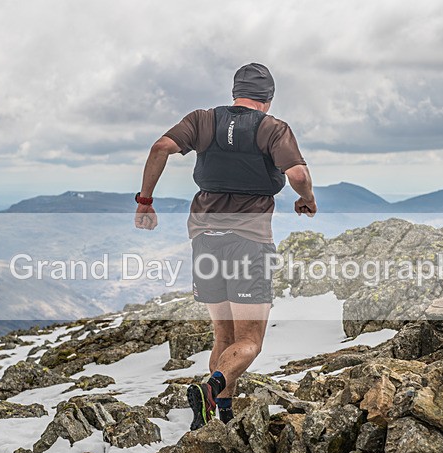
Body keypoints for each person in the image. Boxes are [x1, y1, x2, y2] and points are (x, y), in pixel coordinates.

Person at [134, 63, 317, 429]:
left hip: (204, 239)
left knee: (224, 336)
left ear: (235, 91)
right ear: (268, 98)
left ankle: (222, 415)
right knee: (249, 340)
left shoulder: (203, 120)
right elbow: (297, 174)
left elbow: (159, 148)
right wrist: (306, 198)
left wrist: (145, 200)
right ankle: (211, 388)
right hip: (248, 243)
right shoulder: (272, 128)